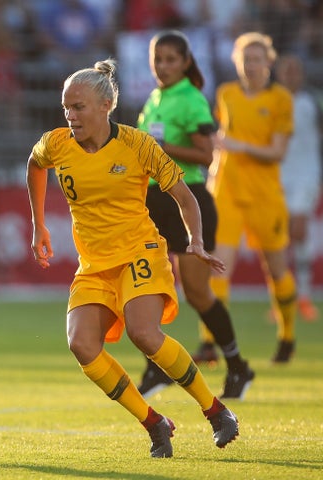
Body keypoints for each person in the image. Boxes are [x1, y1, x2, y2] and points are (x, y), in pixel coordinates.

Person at [26, 59, 239, 458]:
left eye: (79, 107)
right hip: (94, 264)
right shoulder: (55, 144)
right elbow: (35, 166)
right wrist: (39, 225)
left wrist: (195, 241)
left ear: (106, 104)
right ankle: (155, 423)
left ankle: (216, 411)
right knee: (82, 344)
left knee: (144, 333)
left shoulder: (138, 144)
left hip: (140, 251)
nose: (71, 116)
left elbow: (184, 195)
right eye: (66, 108)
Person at [136, 30, 254, 400]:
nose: (164, 66)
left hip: (189, 199)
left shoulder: (191, 99)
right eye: (159, 60)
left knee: (198, 293)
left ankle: (238, 366)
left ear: (186, 62)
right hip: (156, 202)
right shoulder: (155, 98)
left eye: (171, 59)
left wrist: (162, 147)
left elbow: (207, 155)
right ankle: (157, 367)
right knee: (151, 285)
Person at [202, 32, 297, 363]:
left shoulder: (281, 100)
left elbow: (278, 152)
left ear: (268, 63)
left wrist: (241, 146)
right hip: (226, 190)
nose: (251, 66)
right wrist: (214, 169)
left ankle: (286, 336)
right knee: (218, 270)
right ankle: (209, 343)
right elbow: (222, 141)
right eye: (245, 60)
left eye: (257, 59)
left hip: (264, 195)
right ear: (236, 63)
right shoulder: (226, 94)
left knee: (276, 270)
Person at [276, 54, 321, 322]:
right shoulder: (273, 102)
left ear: (302, 74)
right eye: (287, 71)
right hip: (279, 175)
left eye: (296, 71)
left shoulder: (313, 101)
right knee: (279, 236)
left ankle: (303, 293)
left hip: (307, 173)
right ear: (280, 75)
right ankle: (283, 296)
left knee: (299, 228)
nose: (292, 75)